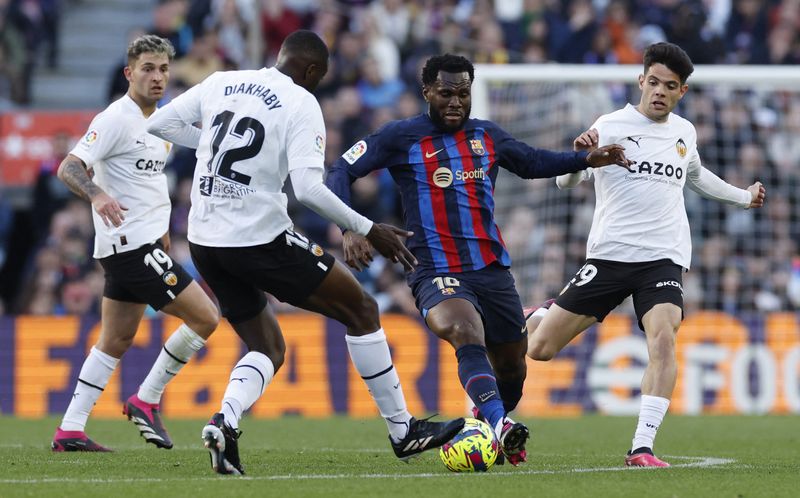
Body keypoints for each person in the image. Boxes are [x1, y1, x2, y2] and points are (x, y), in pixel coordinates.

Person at [145, 30, 465, 476]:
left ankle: (226, 422)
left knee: (267, 346)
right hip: (257, 237)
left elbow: (157, 124)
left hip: (204, 240)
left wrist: (205, 144)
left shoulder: (223, 82)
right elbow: (309, 189)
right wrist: (369, 228)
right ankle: (402, 431)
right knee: (362, 309)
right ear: (313, 71)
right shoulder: (300, 101)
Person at [326, 53, 631, 466]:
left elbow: (532, 162)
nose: (455, 101)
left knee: (512, 369)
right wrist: (351, 226)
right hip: (435, 270)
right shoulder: (399, 136)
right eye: (446, 93)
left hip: (491, 270)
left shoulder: (488, 136)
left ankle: (489, 415)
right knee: (464, 330)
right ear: (427, 92)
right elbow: (339, 172)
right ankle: (502, 425)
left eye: (463, 93)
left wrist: (583, 160)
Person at [524, 42, 766, 467]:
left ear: (681, 92)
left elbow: (697, 176)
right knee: (539, 349)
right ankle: (540, 313)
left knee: (663, 338)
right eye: (653, 82)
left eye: (669, 86)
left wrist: (744, 198)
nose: (659, 91)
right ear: (641, 81)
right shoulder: (611, 124)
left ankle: (641, 447)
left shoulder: (684, 133)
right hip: (610, 256)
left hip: (664, 258)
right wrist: (581, 157)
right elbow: (566, 185)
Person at [51, 35, 220, 452]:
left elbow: (146, 186)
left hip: (140, 245)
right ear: (130, 73)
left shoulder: (160, 124)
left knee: (115, 340)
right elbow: (68, 167)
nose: (157, 77)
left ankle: (70, 429)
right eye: (148, 68)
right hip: (130, 247)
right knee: (206, 317)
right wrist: (97, 195)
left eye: (163, 69)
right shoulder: (115, 119)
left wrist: (163, 235)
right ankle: (147, 398)